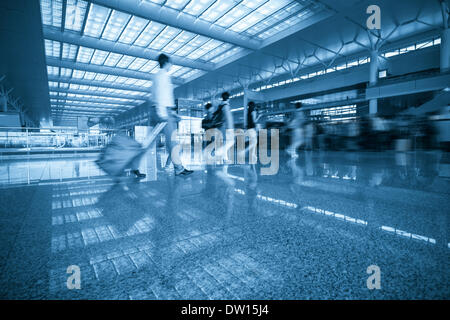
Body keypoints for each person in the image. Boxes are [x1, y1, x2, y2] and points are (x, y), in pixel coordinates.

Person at [152, 53, 193, 176]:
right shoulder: (162, 76)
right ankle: (179, 168)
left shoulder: (160, 76)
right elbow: (159, 95)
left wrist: (173, 113)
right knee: (173, 141)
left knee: (170, 142)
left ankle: (178, 167)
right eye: (171, 63)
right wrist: (163, 114)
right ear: (167, 63)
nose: (171, 65)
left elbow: (165, 97)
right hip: (163, 111)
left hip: (165, 111)